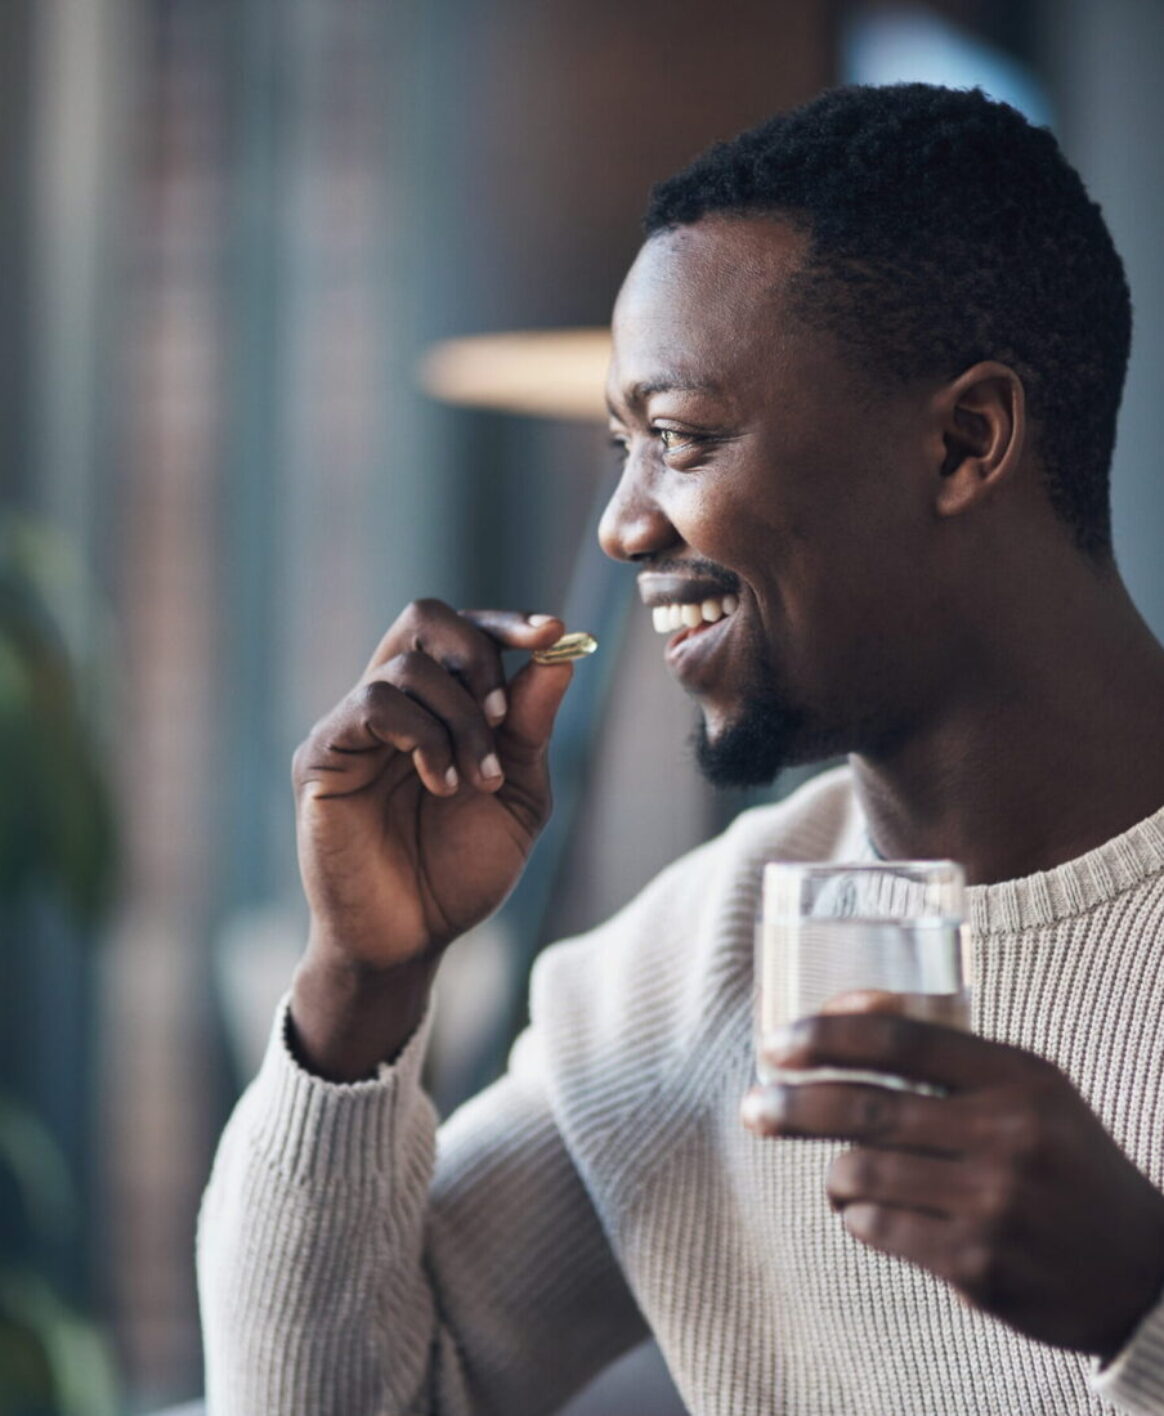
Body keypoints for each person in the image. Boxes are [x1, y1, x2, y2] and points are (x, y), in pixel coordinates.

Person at [197, 83, 1164, 1415]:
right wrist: (361, 985)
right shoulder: (680, 981)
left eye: (683, 439)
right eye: (621, 448)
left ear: (964, 441)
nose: (621, 525)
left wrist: (1143, 1300)